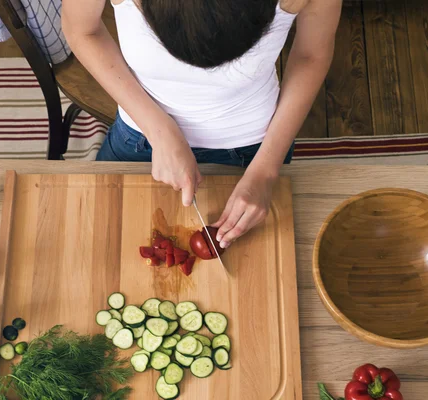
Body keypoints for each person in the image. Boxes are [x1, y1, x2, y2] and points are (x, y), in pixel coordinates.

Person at [62, 0, 341, 248]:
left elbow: (310, 55)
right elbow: (81, 30)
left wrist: (266, 172)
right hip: (138, 135)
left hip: (256, 149)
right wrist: (159, 131)